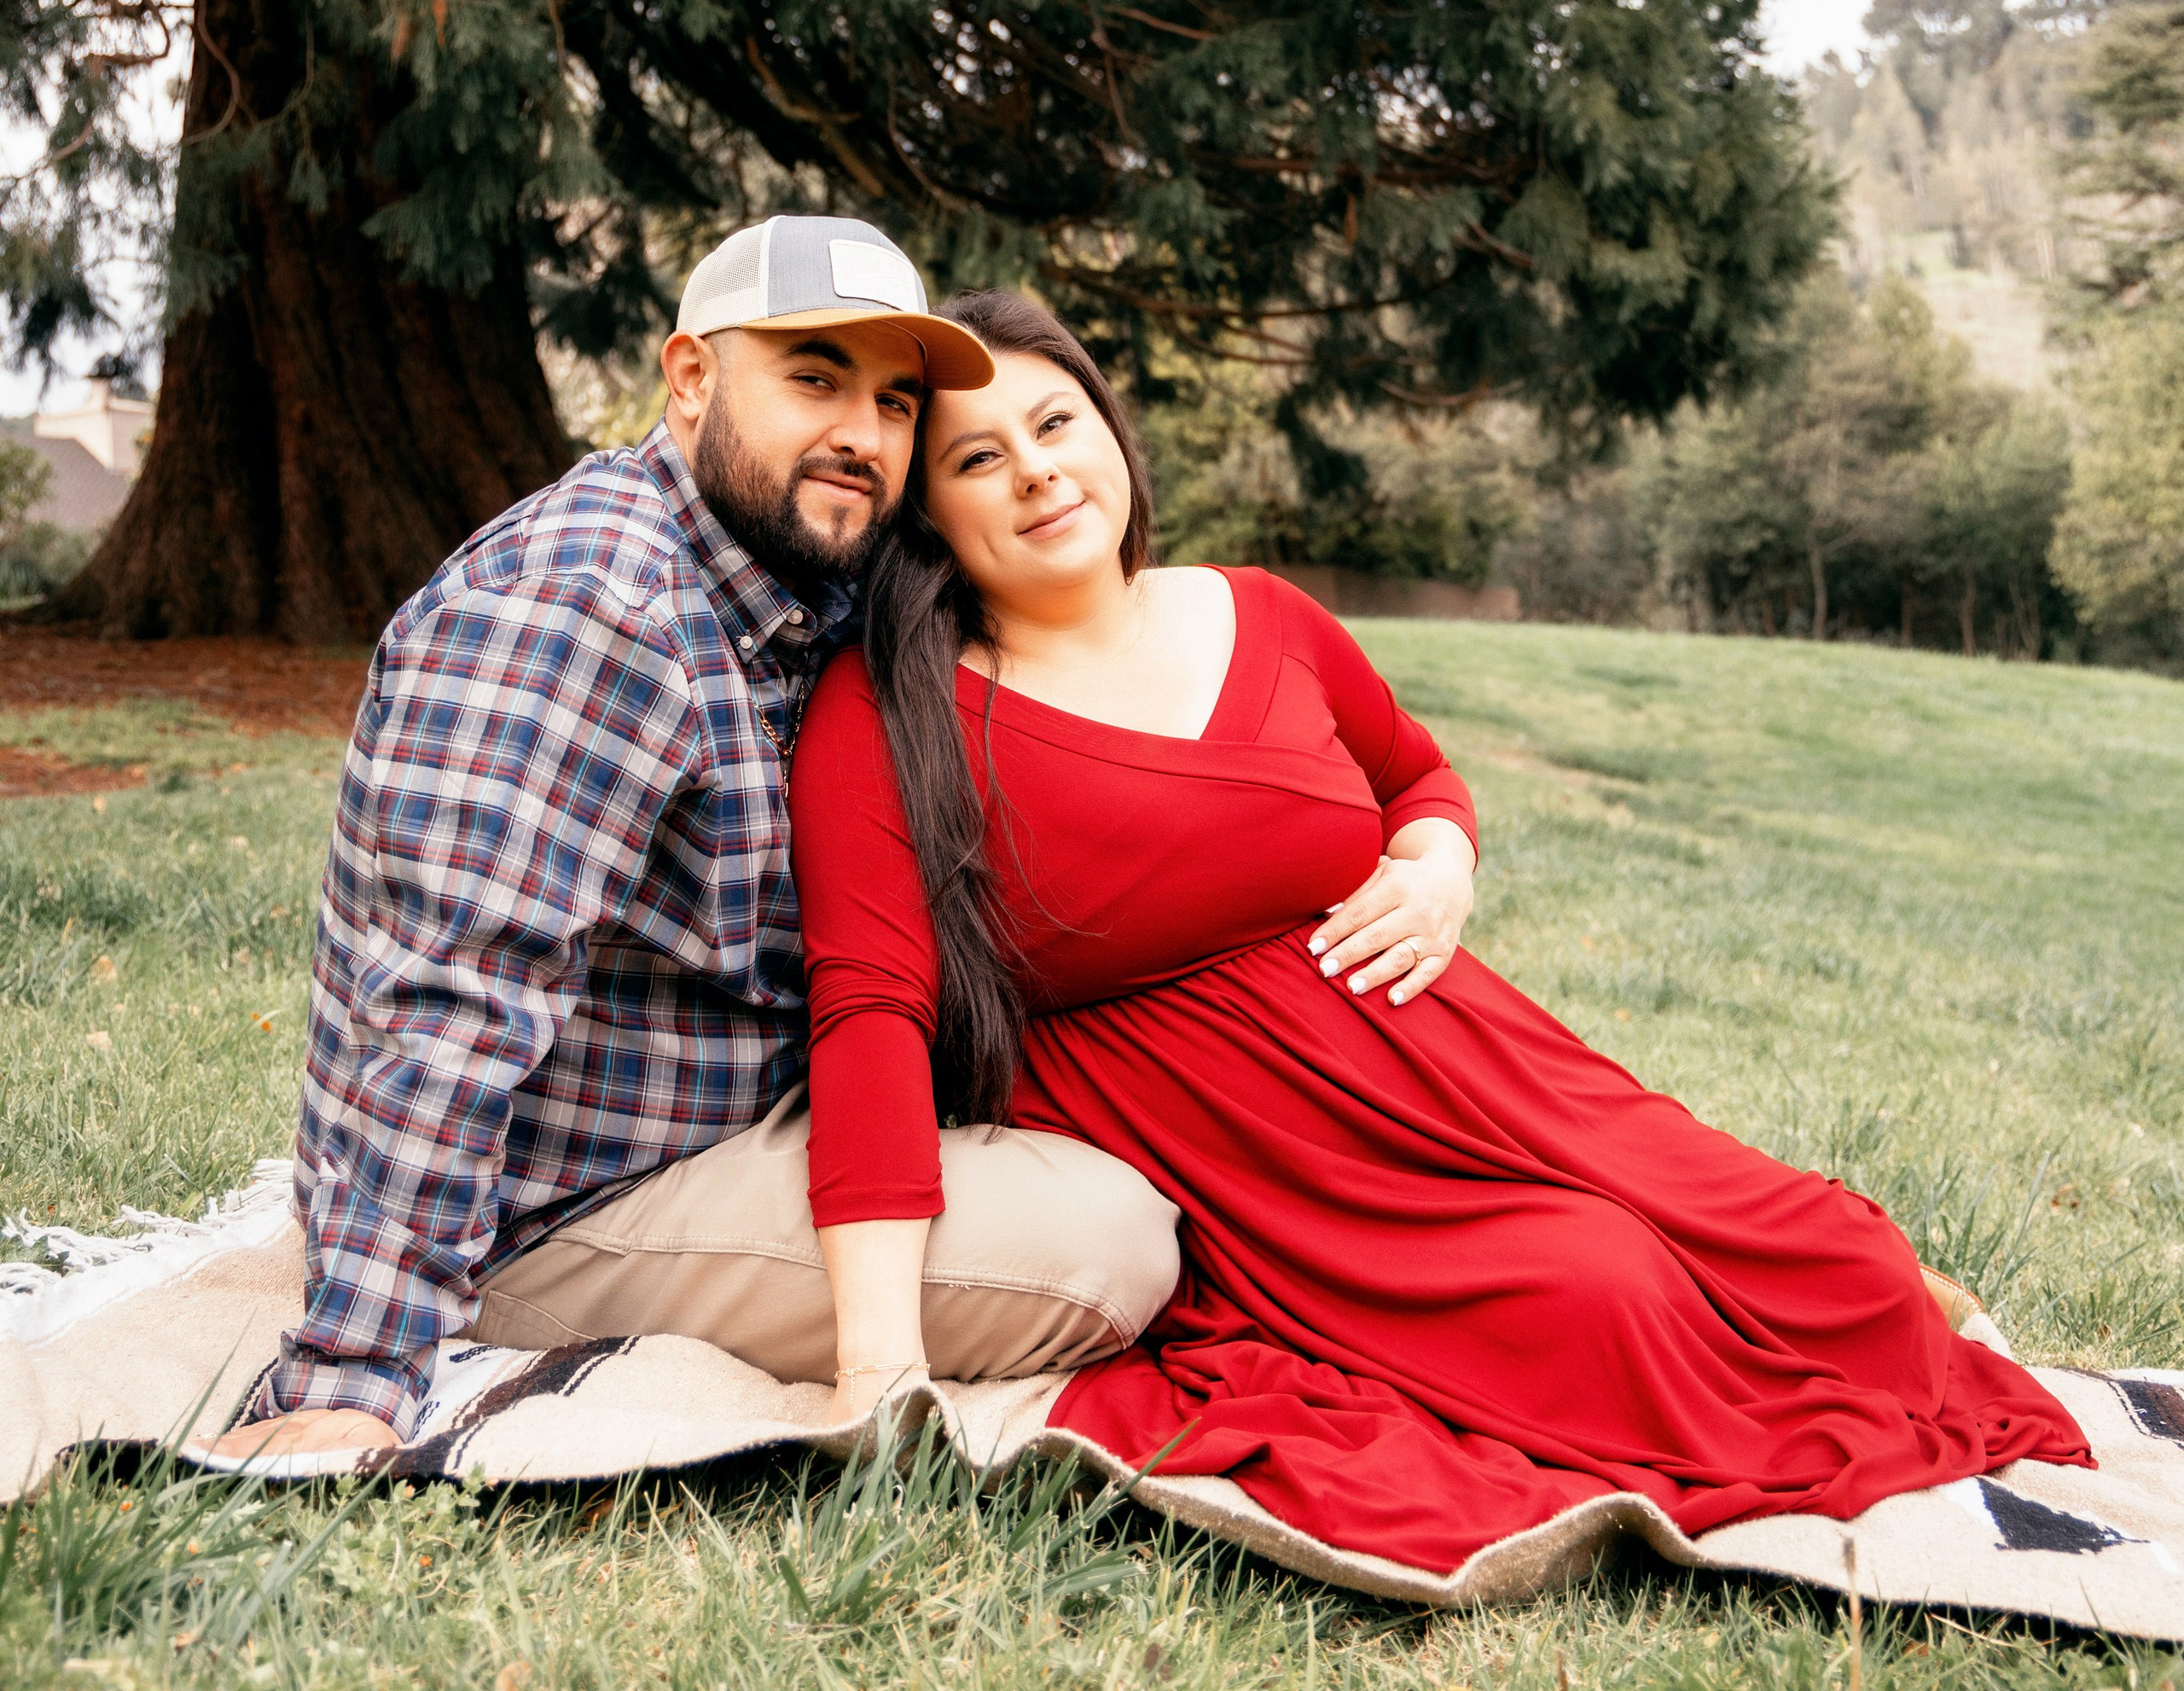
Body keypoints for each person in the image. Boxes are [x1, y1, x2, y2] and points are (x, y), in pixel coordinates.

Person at [789, 289, 2092, 1578]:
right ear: (931, 515)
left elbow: (1417, 777)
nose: (1035, 471)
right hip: (1264, 1158)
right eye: (978, 458)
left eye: (1055, 423)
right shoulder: (892, 708)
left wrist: (1440, 866)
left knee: (1836, 1255)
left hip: (1477, 1062)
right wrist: (878, 1369)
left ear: (1110, 432)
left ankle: (1903, 1317)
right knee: (1613, 1300)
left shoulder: (1264, 613)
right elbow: (871, 1016)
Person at [211, 222, 1178, 1464]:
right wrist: (357, 1370)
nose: (864, 435)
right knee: (1104, 1249)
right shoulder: (585, 607)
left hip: (749, 1110)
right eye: (815, 378)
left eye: (893, 402)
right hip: (558, 1209)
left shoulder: (798, 575)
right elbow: (449, 997)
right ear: (690, 377)